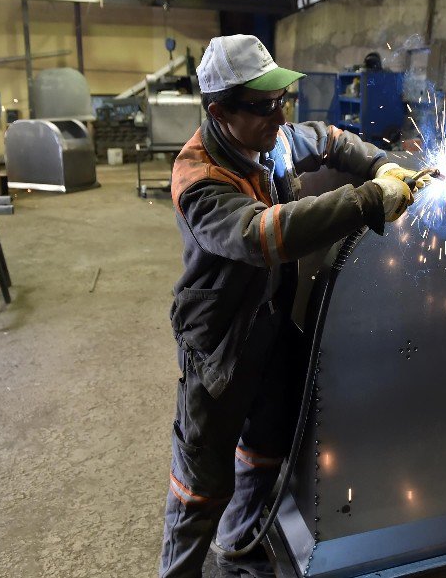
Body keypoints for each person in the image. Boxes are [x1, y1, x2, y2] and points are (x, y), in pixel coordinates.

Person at [161, 34, 428, 578]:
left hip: (273, 322)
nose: (277, 115)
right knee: (200, 481)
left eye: (280, 100)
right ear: (219, 111)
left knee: (267, 439)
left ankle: (236, 542)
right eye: (262, 106)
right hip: (220, 339)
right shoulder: (200, 179)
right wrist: (369, 201)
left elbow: (329, 139)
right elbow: (263, 235)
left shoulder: (270, 138)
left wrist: (385, 165)